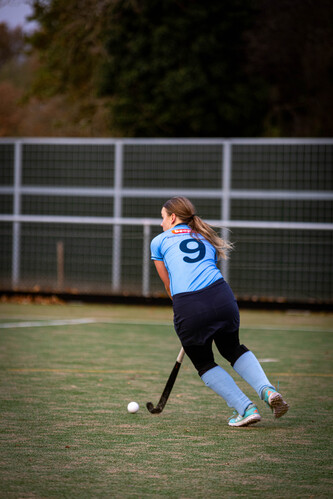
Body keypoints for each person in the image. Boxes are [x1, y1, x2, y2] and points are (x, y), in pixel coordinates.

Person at [150, 196, 289, 427]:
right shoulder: (205, 236)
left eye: (163, 217)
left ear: (173, 217)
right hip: (222, 296)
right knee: (232, 348)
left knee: (204, 362)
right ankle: (267, 390)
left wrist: (187, 318)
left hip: (189, 303)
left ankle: (246, 408)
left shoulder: (159, 241)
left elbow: (169, 285)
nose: (161, 223)